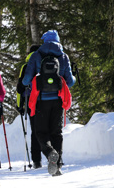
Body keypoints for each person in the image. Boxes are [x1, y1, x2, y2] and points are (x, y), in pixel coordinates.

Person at [22, 30, 76, 176]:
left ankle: (50, 152)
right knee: (56, 133)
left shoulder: (36, 55)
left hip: (40, 101)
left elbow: (26, 80)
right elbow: (70, 82)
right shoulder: (64, 57)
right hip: (58, 101)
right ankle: (57, 166)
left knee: (40, 132)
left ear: (44, 41)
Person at [16, 44, 43, 169]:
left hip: (31, 101)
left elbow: (20, 88)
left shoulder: (26, 66)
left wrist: (19, 105)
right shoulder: (45, 62)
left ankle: (36, 160)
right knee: (47, 129)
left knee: (34, 131)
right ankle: (53, 156)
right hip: (46, 100)